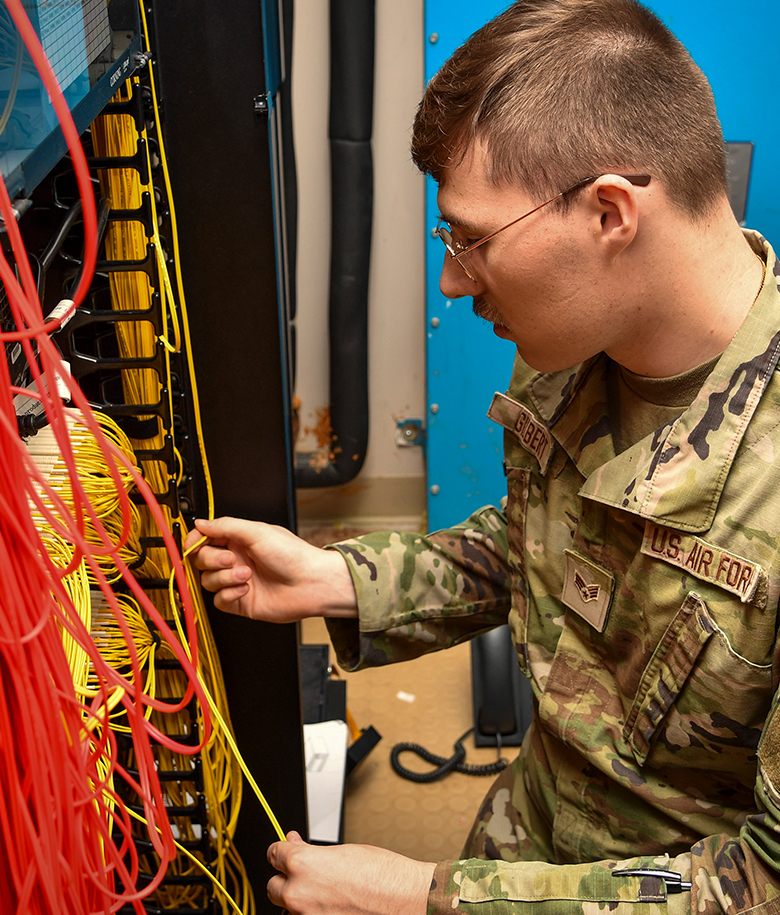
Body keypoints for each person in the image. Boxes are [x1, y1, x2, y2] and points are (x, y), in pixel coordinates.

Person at [186, 0, 780, 912]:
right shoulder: (580, 338)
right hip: (526, 825)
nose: (453, 280)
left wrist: (430, 899)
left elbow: (764, 882)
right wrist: (338, 580)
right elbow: (540, 546)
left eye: (470, 240)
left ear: (610, 213)